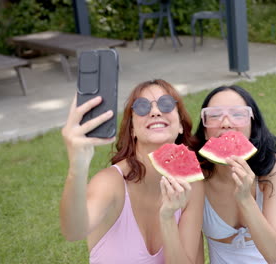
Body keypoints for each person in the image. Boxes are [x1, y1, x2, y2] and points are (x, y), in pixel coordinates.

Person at [59, 79, 204, 264]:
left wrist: (168, 218)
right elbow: (73, 232)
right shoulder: (111, 182)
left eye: (166, 104)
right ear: (133, 129)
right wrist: (77, 167)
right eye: (142, 107)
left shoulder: (192, 184)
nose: (155, 112)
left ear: (181, 124)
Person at [193, 85, 276, 264]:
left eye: (238, 114)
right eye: (214, 115)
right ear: (204, 128)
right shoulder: (196, 175)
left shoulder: (270, 166)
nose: (226, 123)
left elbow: (273, 254)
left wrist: (246, 198)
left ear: (252, 124)